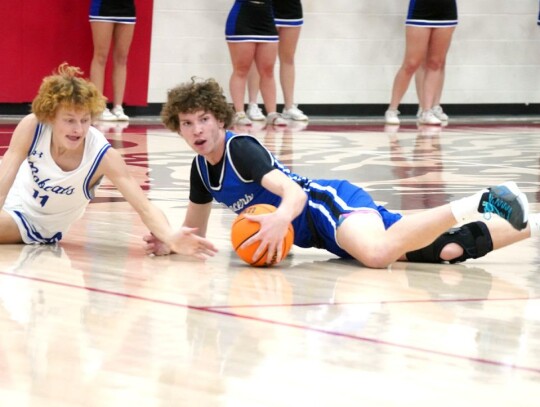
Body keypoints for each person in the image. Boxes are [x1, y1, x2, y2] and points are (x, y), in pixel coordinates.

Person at [144, 77, 538, 269]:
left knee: (378, 254)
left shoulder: (240, 149)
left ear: (220, 119)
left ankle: (484, 199)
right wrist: (170, 242)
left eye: (204, 120)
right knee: (443, 250)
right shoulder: (200, 168)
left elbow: (294, 197)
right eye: (186, 123)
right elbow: (192, 229)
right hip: (319, 234)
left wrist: (279, 220)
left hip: (325, 204)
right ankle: (530, 225)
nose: (196, 130)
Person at [0, 64, 217, 260]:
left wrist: (171, 238)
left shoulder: (102, 155)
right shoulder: (32, 126)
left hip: (36, 220)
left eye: (85, 120)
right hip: (13, 196)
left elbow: (144, 206)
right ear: (50, 117)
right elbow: (5, 175)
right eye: (69, 120)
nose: (78, 129)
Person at [385, 0, 457, 126]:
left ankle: (426, 111)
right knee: (411, 63)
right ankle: (392, 109)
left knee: (436, 63)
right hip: (421, 10)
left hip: (446, 11)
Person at [225, 0, 287, 127]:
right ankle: (240, 113)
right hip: (242, 17)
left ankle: (272, 113)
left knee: (268, 71)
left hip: (267, 18)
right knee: (241, 69)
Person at [245, 0, 308, 122]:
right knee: (259, 59)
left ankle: (289, 106)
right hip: (265, 6)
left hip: (291, 8)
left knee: (288, 57)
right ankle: (252, 104)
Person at [89, 0, 136, 122]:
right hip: (103, 6)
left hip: (127, 7)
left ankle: (118, 107)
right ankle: (98, 107)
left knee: (122, 58)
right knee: (100, 56)